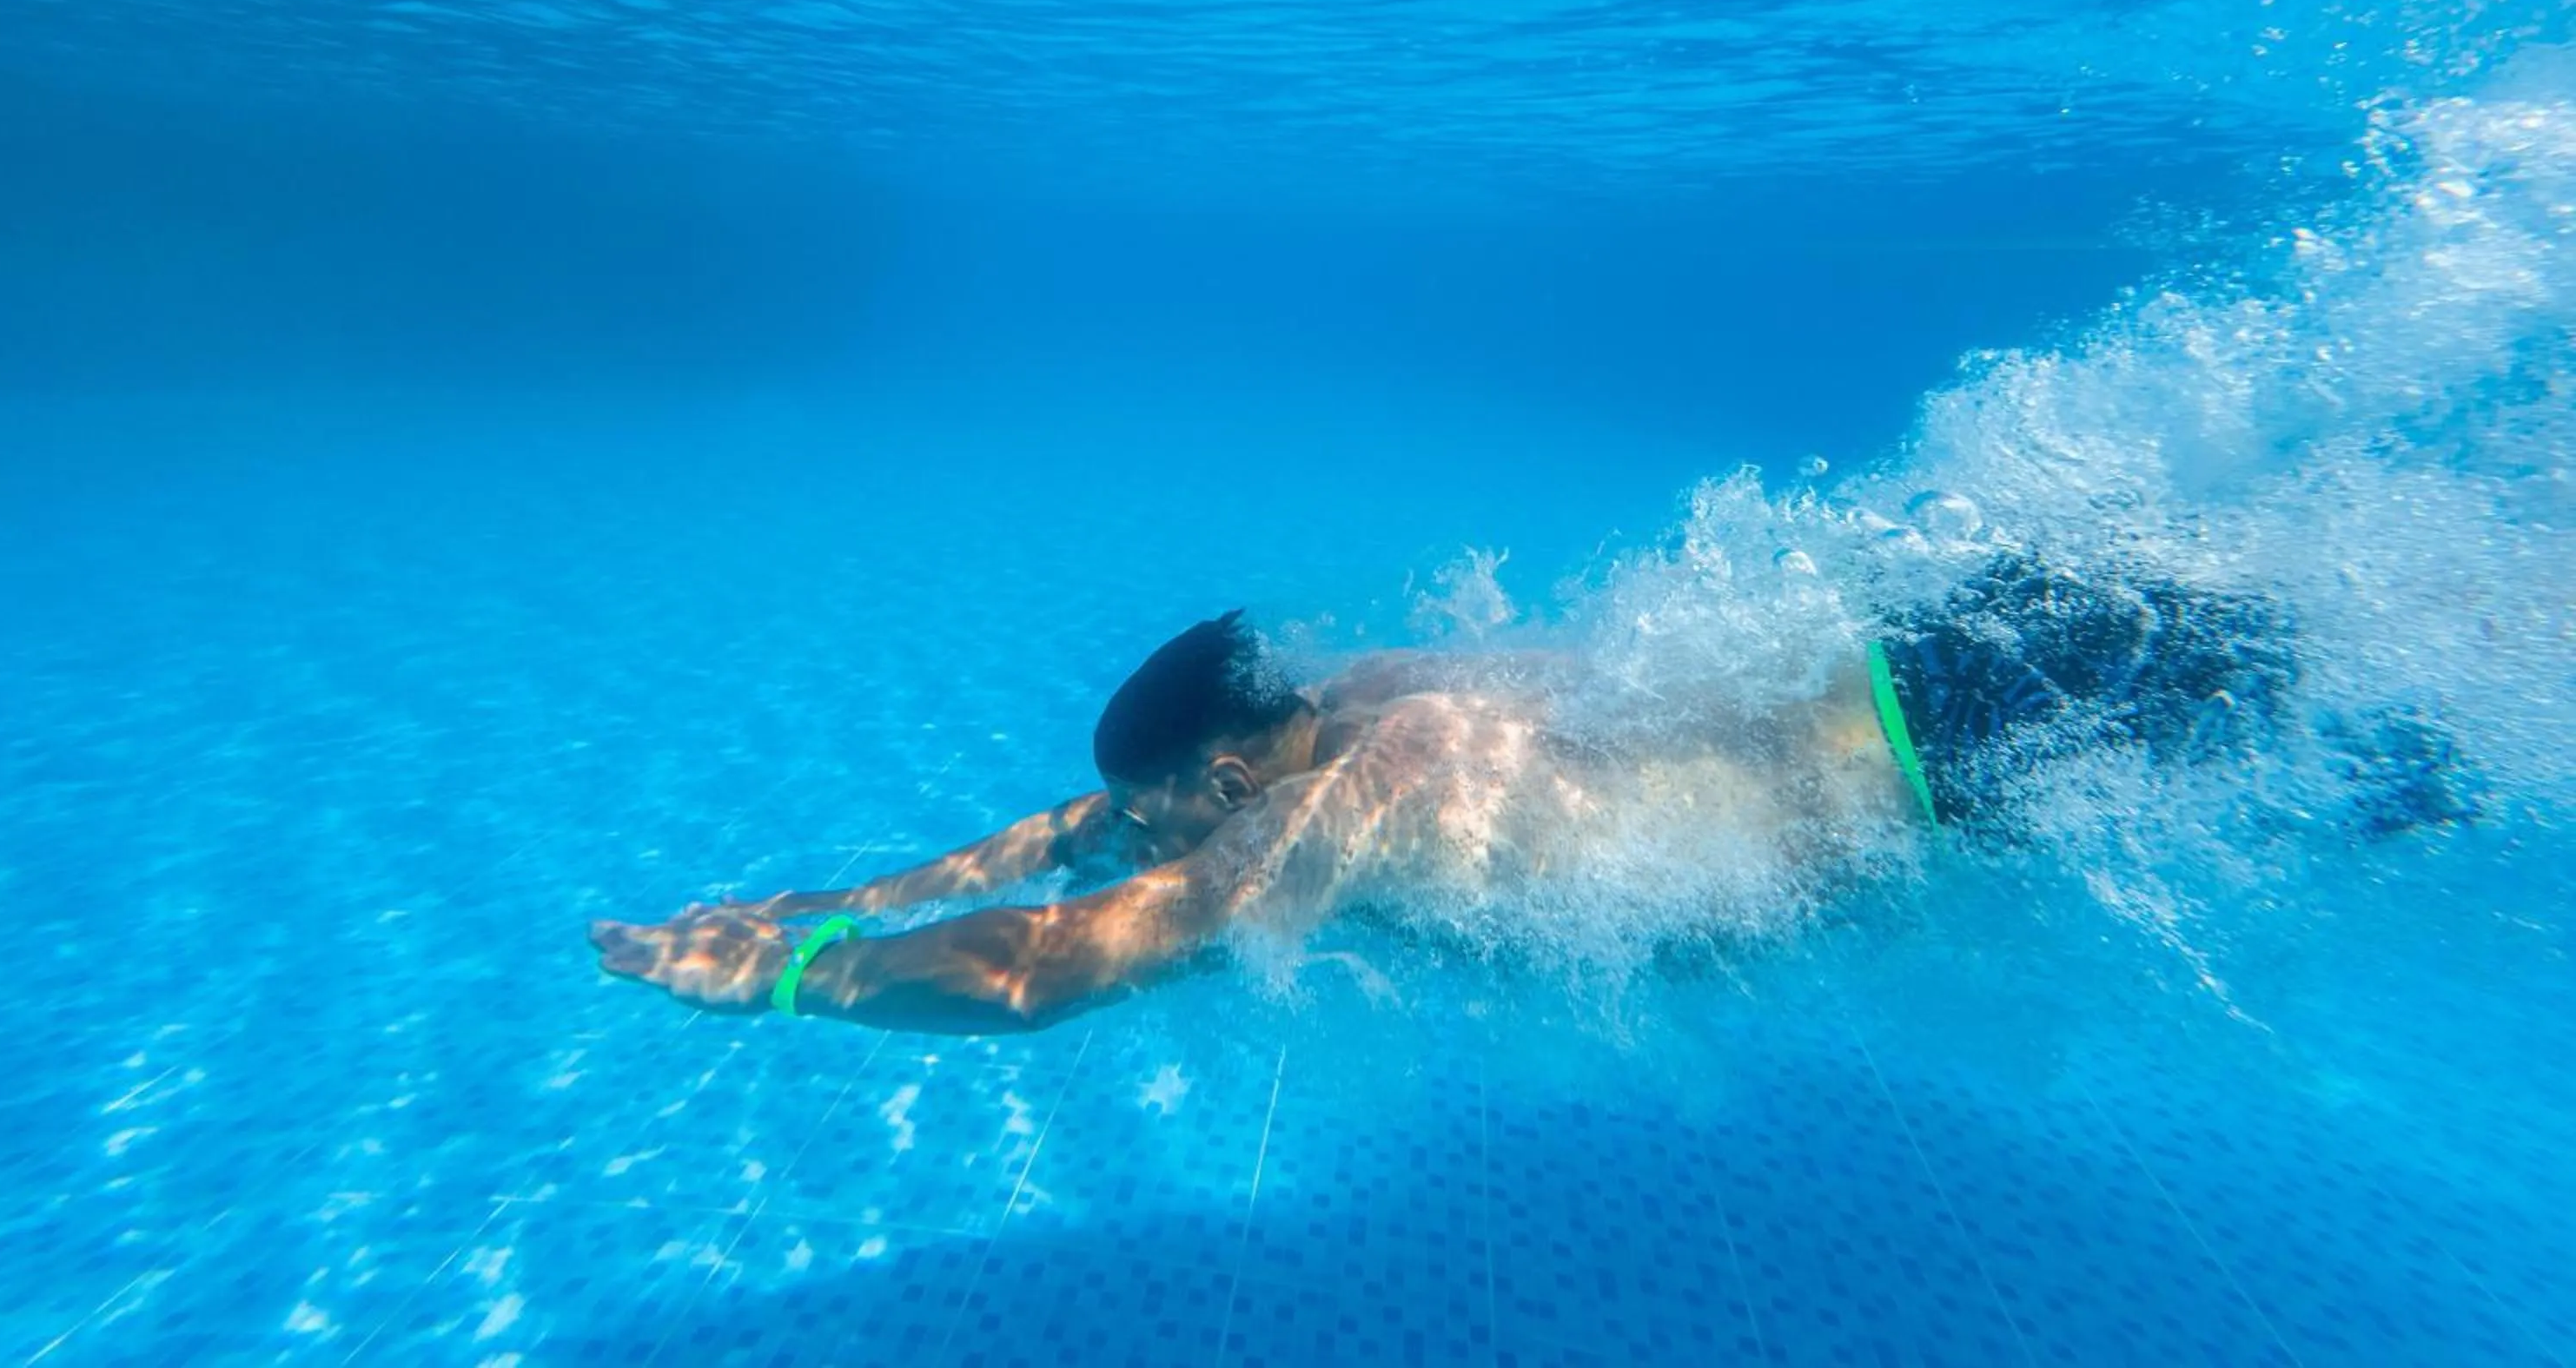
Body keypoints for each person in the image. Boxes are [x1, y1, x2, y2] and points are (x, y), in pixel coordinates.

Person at [589, 565, 2473, 1034]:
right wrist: (853, 885)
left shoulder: (1363, 796)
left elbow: (1054, 971)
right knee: (2354, 655)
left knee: (2403, 761)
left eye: (1176, 806)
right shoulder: (1361, 693)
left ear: (1236, 768)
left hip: (1952, 751)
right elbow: (1081, 841)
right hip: (1940, 651)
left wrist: (789, 977)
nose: (1157, 832)